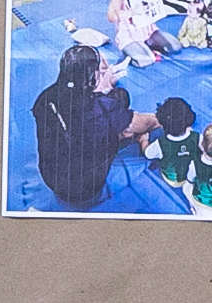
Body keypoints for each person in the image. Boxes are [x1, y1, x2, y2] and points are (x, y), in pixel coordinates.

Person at [30, 44, 153, 210]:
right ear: (92, 77)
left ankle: (121, 130)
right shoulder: (103, 107)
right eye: (99, 71)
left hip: (52, 178)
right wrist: (163, 118)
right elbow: (145, 123)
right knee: (121, 106)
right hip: (85, 190)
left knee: (114, 104)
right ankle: (125, 133)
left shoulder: (45, 97)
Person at [105, 0, 178, 64]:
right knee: (145, 61)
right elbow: (111, 17)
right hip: (129, 36)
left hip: (149, 31)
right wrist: (133, 12)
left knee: (175, 47)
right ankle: (132, 53)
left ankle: (148, 45)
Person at [142, 96, 203, 186]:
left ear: (162, 125)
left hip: (172, 180)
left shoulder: (160, 144)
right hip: (191, 175)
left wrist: (143, 140)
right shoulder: (198, 137)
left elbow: (147, 154)